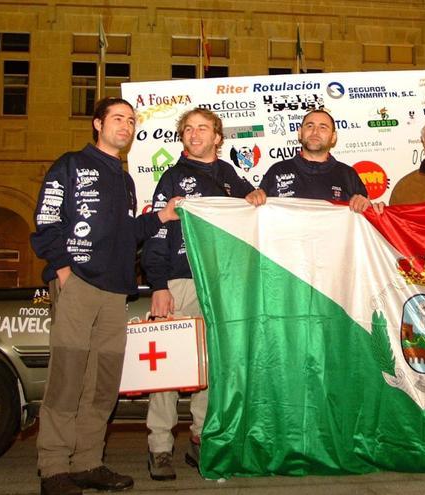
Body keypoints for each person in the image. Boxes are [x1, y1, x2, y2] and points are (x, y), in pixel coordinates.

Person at [30, 97, 182, 495]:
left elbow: (127, 234)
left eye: (132, 121)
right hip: (78, 283)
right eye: (118, 118)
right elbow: (46, 222)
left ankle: (87, 462)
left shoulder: (125, 180)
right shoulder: (70, 164)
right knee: (68, 378)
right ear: (98, 123)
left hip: (117, 293)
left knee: (103, 383)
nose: (126, 126)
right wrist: (64, 270)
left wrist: (162, 217)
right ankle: (53, 467)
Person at [141, 108, 264, 481]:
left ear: (217, 137)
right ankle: (160, 446)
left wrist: (256, 194)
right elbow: (157, 232)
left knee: (212, 366)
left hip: (222, 284)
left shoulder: (229, 176)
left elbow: (252, 208)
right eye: (188, 129)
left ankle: (201, 437)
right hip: (182, 282)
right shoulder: (174, 176)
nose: (194, 135)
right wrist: (159, 285)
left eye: (203, 129)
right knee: (169, 367)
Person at [258, 109, 369, 211]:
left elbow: (365, 219)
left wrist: (366, 205)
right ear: (300, 133)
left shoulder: (348, 175)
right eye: (310, 126)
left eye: (323, 127)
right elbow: (257, 214)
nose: (315, 132)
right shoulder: (278, 171)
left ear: (333, 137)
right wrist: (254, 199)